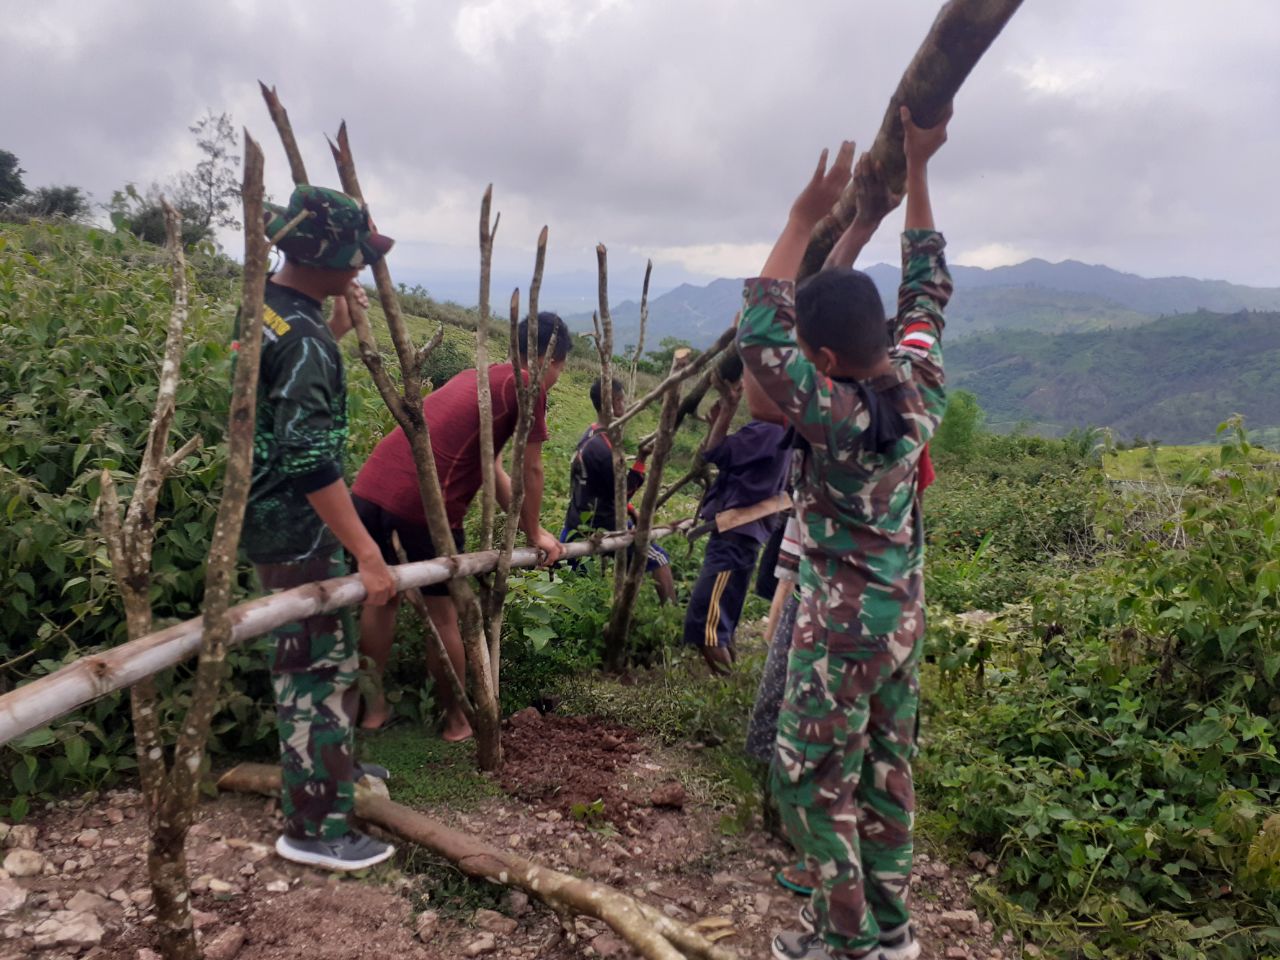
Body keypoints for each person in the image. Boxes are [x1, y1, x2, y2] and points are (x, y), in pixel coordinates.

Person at [738, 105, 954, 960]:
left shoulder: (832, 420)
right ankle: (893, 933)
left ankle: (845, 940)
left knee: (809, 777)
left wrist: (799, 218)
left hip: (840, 627)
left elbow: (761, 334)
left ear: (822, 362)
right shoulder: (917, 386)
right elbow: (926, 287)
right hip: (902, 618)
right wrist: (917, 173)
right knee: (886, 774)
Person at [239, 184, 398, 871]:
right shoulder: (301, 336)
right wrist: (366, 553)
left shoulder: (270, 311)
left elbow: (281, 386)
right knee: (314, 669)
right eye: (356, 254)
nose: (362, 268)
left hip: (264, 513)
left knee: (313, 660)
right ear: (326, 253)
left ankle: (332, 775)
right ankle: (315, 827)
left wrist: (329, 331)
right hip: (298, 528)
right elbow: (308, 458)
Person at [351, 312, 570, 738]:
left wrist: (527, 528)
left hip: (370, 489)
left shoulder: (481, 377)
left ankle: (373, 711)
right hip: (423, 505)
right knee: (445, 615)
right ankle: (455, 720)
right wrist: (536, 532)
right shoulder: (529, 385)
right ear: (553, 361)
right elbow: (532, 467)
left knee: (380, 602)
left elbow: (490, 467)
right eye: (560, 368)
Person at [681, 377, 791, 675]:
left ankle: (727, 690)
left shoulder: (767, 431)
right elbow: (715, 452)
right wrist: (725, 413)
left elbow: (714, 452)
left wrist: (728, 410)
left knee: (707, 624)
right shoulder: (779, 430)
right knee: (720, 620)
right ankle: (733, 687)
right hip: (742, 536)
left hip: (734, 539)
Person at [560, 377, 676, 603]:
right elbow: (623, 492)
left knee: (571, 580)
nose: (625, 405)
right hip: (605, 524)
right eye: (622, 400)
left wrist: (631, 509)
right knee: (658, 558)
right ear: (612, 403)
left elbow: (602, 486)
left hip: (576, 521)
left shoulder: (591, 435)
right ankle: (670, 612)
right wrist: (641, 459)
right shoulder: (604, 449)